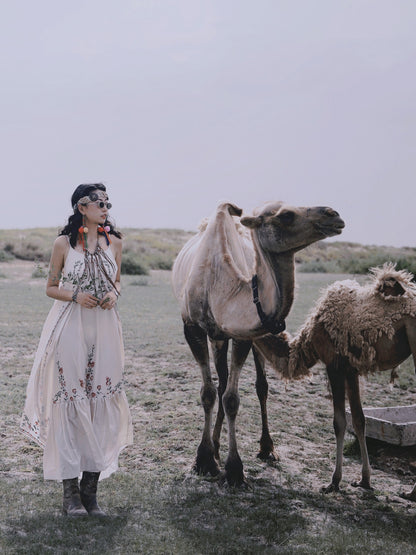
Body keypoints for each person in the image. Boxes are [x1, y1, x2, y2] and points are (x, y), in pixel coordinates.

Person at [20, 183, 133, 516]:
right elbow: (50, 286)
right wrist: (75, 295)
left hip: (105, 328)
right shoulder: (63, 244)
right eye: (99, 202)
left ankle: (91, 491)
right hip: (70, 326)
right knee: (71, 402)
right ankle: (70, 496)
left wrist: (114, 295)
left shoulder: (115, 243)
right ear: (82, 207)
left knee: (102, 403)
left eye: (108, 202)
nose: (106, 206)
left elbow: (118, 281)